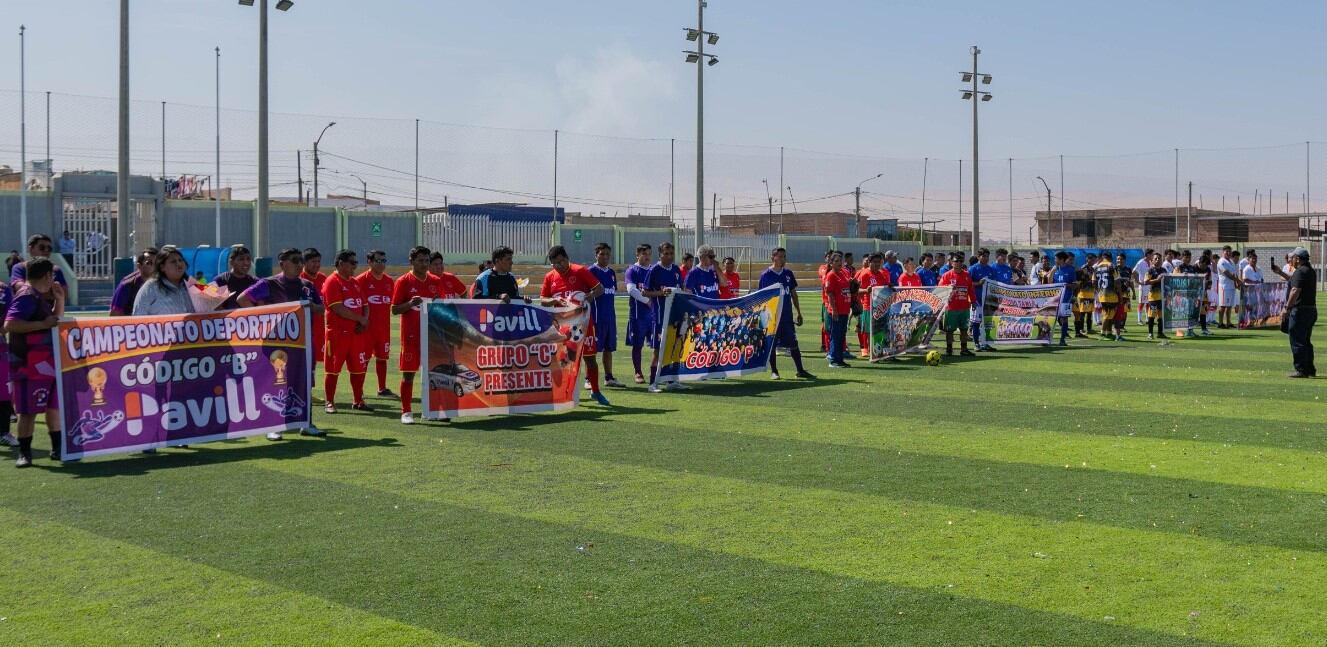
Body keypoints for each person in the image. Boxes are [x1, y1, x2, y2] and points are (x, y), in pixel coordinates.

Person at [237, 248, 325, 439]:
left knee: (304, 382)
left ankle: (306, 422)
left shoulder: (307, 285)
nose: (299, 264)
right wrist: (262, 318)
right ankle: (273, 425)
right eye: (295, 260)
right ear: (283, 263)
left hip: (303, 344)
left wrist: (311, 306)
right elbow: (242, 299)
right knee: (276, 382)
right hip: (276, 343)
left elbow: (321, 309)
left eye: (300, 261)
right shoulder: (269, 283)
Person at [391, 247, 466, 425]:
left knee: (433, 373)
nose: (424, 264)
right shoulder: (403, 281)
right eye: (420, 261)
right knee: (408, 374)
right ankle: (406, 412)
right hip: (410, 336)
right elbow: (394, 310)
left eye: (426, 261)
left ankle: (431, 410)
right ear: (412, 261)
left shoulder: (435, 280)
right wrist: (410, 303)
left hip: (432, 335)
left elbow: (439, 306)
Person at [5, 259, 64, 467]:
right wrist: (41, 323)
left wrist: (59, 300)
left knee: (53, 407)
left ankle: (58, 449)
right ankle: (24, 453)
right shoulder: (27, 295)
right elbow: (10, 324)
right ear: (48, 276)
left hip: (47, 363)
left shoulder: (39, 296)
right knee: (27, 411)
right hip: (29, 365)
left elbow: (54, 322)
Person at [541, 245, 610, 406]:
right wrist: (553, 300)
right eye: (555, 264)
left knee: (590, 358)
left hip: (584, 324)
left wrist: (588, 297)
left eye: (561, 261)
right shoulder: (550, 277)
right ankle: (566, 392)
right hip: (562, 328)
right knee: (564, 361)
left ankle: (596, 391)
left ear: (566, 258)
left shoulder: (580, 271)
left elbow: (599, 288)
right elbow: (543, 299)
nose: (559, 266)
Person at [760, 248, 813, 380]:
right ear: (773, 258)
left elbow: (794, 294)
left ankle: (800, 370)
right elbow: (761, 298)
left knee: (794, 343)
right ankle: (774, 371)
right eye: (780, 257)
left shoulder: (788, 273)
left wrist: (799, 312)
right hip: (772, 317)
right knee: (772, 344)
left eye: (784, 257)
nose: (783, 259)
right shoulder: (765, 275)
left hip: (787, 316)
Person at [642, 242, 686, 392]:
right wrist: (661, 293)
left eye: (671, 253)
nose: (669, 256)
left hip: (675, 316)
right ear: (660, 254)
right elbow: (644, 292)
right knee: (658, 349)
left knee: (675, 347)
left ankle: (672, 380)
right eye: (666, 253)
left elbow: (680, 289)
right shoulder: (654, 270)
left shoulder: (675, 270)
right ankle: (652, 383)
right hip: (660, 317)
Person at [355, 250, 395, 397]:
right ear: (369, 262)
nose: (381, 264)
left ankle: (382, 388)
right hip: (366, 329)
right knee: (363, 360)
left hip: (383, 328)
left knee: (382, 358)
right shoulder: (360, 280)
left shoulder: (389, 281)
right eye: (378, 261)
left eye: (383, 261)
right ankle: (359, 390)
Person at [585, 243, 622, 388]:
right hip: (596, 318)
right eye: (602, 254)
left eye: (607, 254)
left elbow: (611, 293)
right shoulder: (591, 271)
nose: (605, 257)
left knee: (609, 348)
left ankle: (609, 377)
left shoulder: (611, 273)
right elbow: (586, 294)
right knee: (592, 350)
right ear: (596, 255)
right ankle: (589, 379)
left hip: (610, 318)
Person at [132, 247, 197, 316]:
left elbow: (208, 299)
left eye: (180, 260)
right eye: (173, 262)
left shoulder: (193, 285)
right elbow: (138, 316)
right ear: (162, 267)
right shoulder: (150, 287)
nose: (179, 264)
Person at [1284, 247, 1317, 378]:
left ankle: (1301, 369)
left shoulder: (1300, 271)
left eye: (1292, 258)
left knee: (1297, 340)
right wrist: (1281, 272)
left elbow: (1295, 290)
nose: (1290, 260)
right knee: (1306, 341)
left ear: (1298, 259)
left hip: (1300, 310)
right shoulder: (1310, 270)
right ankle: (1310, 368)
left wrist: (1287, 308)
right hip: (1310, 310)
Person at [623, 244, 653, 384]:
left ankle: (657, 372)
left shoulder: (654, 270)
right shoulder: (632, 270)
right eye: (644, 254)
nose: (647, 256)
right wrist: (647, 300)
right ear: (638, 255)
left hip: (654, 315)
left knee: (657, 345)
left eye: (649, 254)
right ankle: (638, 372)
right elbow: (631, 290)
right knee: (638, 345)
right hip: (638, 315)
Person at [938, 253, 975, 357]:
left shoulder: (967, 275)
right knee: (949, 330)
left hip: (964, 307)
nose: (958, 263)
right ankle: (949, 350)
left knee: (964, 329)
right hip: (951, 308)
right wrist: (948, 287)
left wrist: (973, 301)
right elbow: (940, 289)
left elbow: (971, 290)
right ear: (951, 263)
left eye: (960, 261)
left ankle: (964, 349)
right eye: (956, 261)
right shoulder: (946, 275)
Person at [853, 254, 890, 356]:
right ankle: (872, 353)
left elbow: (884, 288)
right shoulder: (865, 274)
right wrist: (866, 290)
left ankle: (877, 351)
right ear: (869, 262)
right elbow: (855, 290)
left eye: (879, 262)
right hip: (869, 307)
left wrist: (889, 286)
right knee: (870, 331)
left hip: (880, 307)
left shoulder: (881, 274)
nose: (878, 264)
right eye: (875, 262)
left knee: (880, 331)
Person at [301, 248, 328, 381]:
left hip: (321, 326)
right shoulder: (300, 280)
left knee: (314, 359)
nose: (316, 264)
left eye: (318, 261)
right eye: (313, 261)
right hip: (305, 328)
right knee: (304, 359)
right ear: (304, 263)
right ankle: (306, 390)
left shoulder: (323, 279)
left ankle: (309, 388)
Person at [822, 251, 851, 368]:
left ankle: (840, 358)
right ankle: (833, 359)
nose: (840, 263)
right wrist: (834, 310)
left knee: (841, 335)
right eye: (837, 261)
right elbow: (829, 293)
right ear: (831, 263)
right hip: (836, 311)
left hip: (844, 310)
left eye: (841, 261)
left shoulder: (843, 274)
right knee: (836, 335)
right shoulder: (831, 275)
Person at [109, 247, 159, 316]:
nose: (154, 266)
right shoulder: (127, 285)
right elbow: (115, 314)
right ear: (139, 266)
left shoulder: (165, 284)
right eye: (149, 263)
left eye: (157, 263)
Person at [213, 244, 258, 311]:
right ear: (232, 262)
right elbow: (215, 306)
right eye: (241, 259)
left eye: (248, 259)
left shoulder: (255, 282)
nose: (246, 263)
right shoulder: (220, 280)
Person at [967, 248, 993, 348]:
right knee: (976, 322)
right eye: (984, 256)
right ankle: (976, 343)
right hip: (976, 300)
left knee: (987, 323)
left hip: (987, 301)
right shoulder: (973, 269)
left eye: (987, 256)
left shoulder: (990, 269)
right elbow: (968, 284)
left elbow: (993, 284)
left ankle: (985, 342)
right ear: (978, 257)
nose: (986, 258)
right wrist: (978, 283)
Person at [1051, 252, 1077, 346]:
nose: (1055, 260)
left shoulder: (1070, 270)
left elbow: (1074, 285)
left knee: (1064, 318)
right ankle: (1047, 338)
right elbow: (1051, 283)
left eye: (1056, 259)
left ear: (1061, 259)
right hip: (1056, 298)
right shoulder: (1056, 269)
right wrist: (1052, 272)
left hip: (1066, 298)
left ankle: (1062, 340)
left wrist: (1067, 285)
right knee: (1053, 318)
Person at [1215, 246, 1241, 329]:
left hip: (1231, 286)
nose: (1228, 253)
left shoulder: (1231, 261)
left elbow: (1234, 273)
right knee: (1223, 306)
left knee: (1229, 306)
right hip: (1224, 286)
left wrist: (1237, 282)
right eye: (1227, 251)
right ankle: (1220, 323)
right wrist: (1238, 280)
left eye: (1230, 251)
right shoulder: (1221, 261)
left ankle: (1228, 322)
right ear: (1223, 252)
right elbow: (1227, 274)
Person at [1143, 252, 1168, 340]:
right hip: (1153, 297)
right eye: (1156, 258)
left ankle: (1160, 333)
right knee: (1152, 315)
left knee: (1161, 316)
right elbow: (1145, 282)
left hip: (1162, 296)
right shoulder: (1150, 270)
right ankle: (1150, 333)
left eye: (1159, 258)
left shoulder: (1164, 270)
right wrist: (1157, 280)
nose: (1158, 260)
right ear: (1152, 260)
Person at [1133, 249, 1154, 326]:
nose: (1152, 256)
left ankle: (1148, 318)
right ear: (1148, 254)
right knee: (1141, 303)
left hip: (1150, 285)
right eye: (1152, 254)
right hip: (1143, 286)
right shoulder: (1141, 262)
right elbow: (1134, 271)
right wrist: (1138, 282)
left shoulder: (1151, 262)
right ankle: (1139, 319)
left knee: (1148, 302)